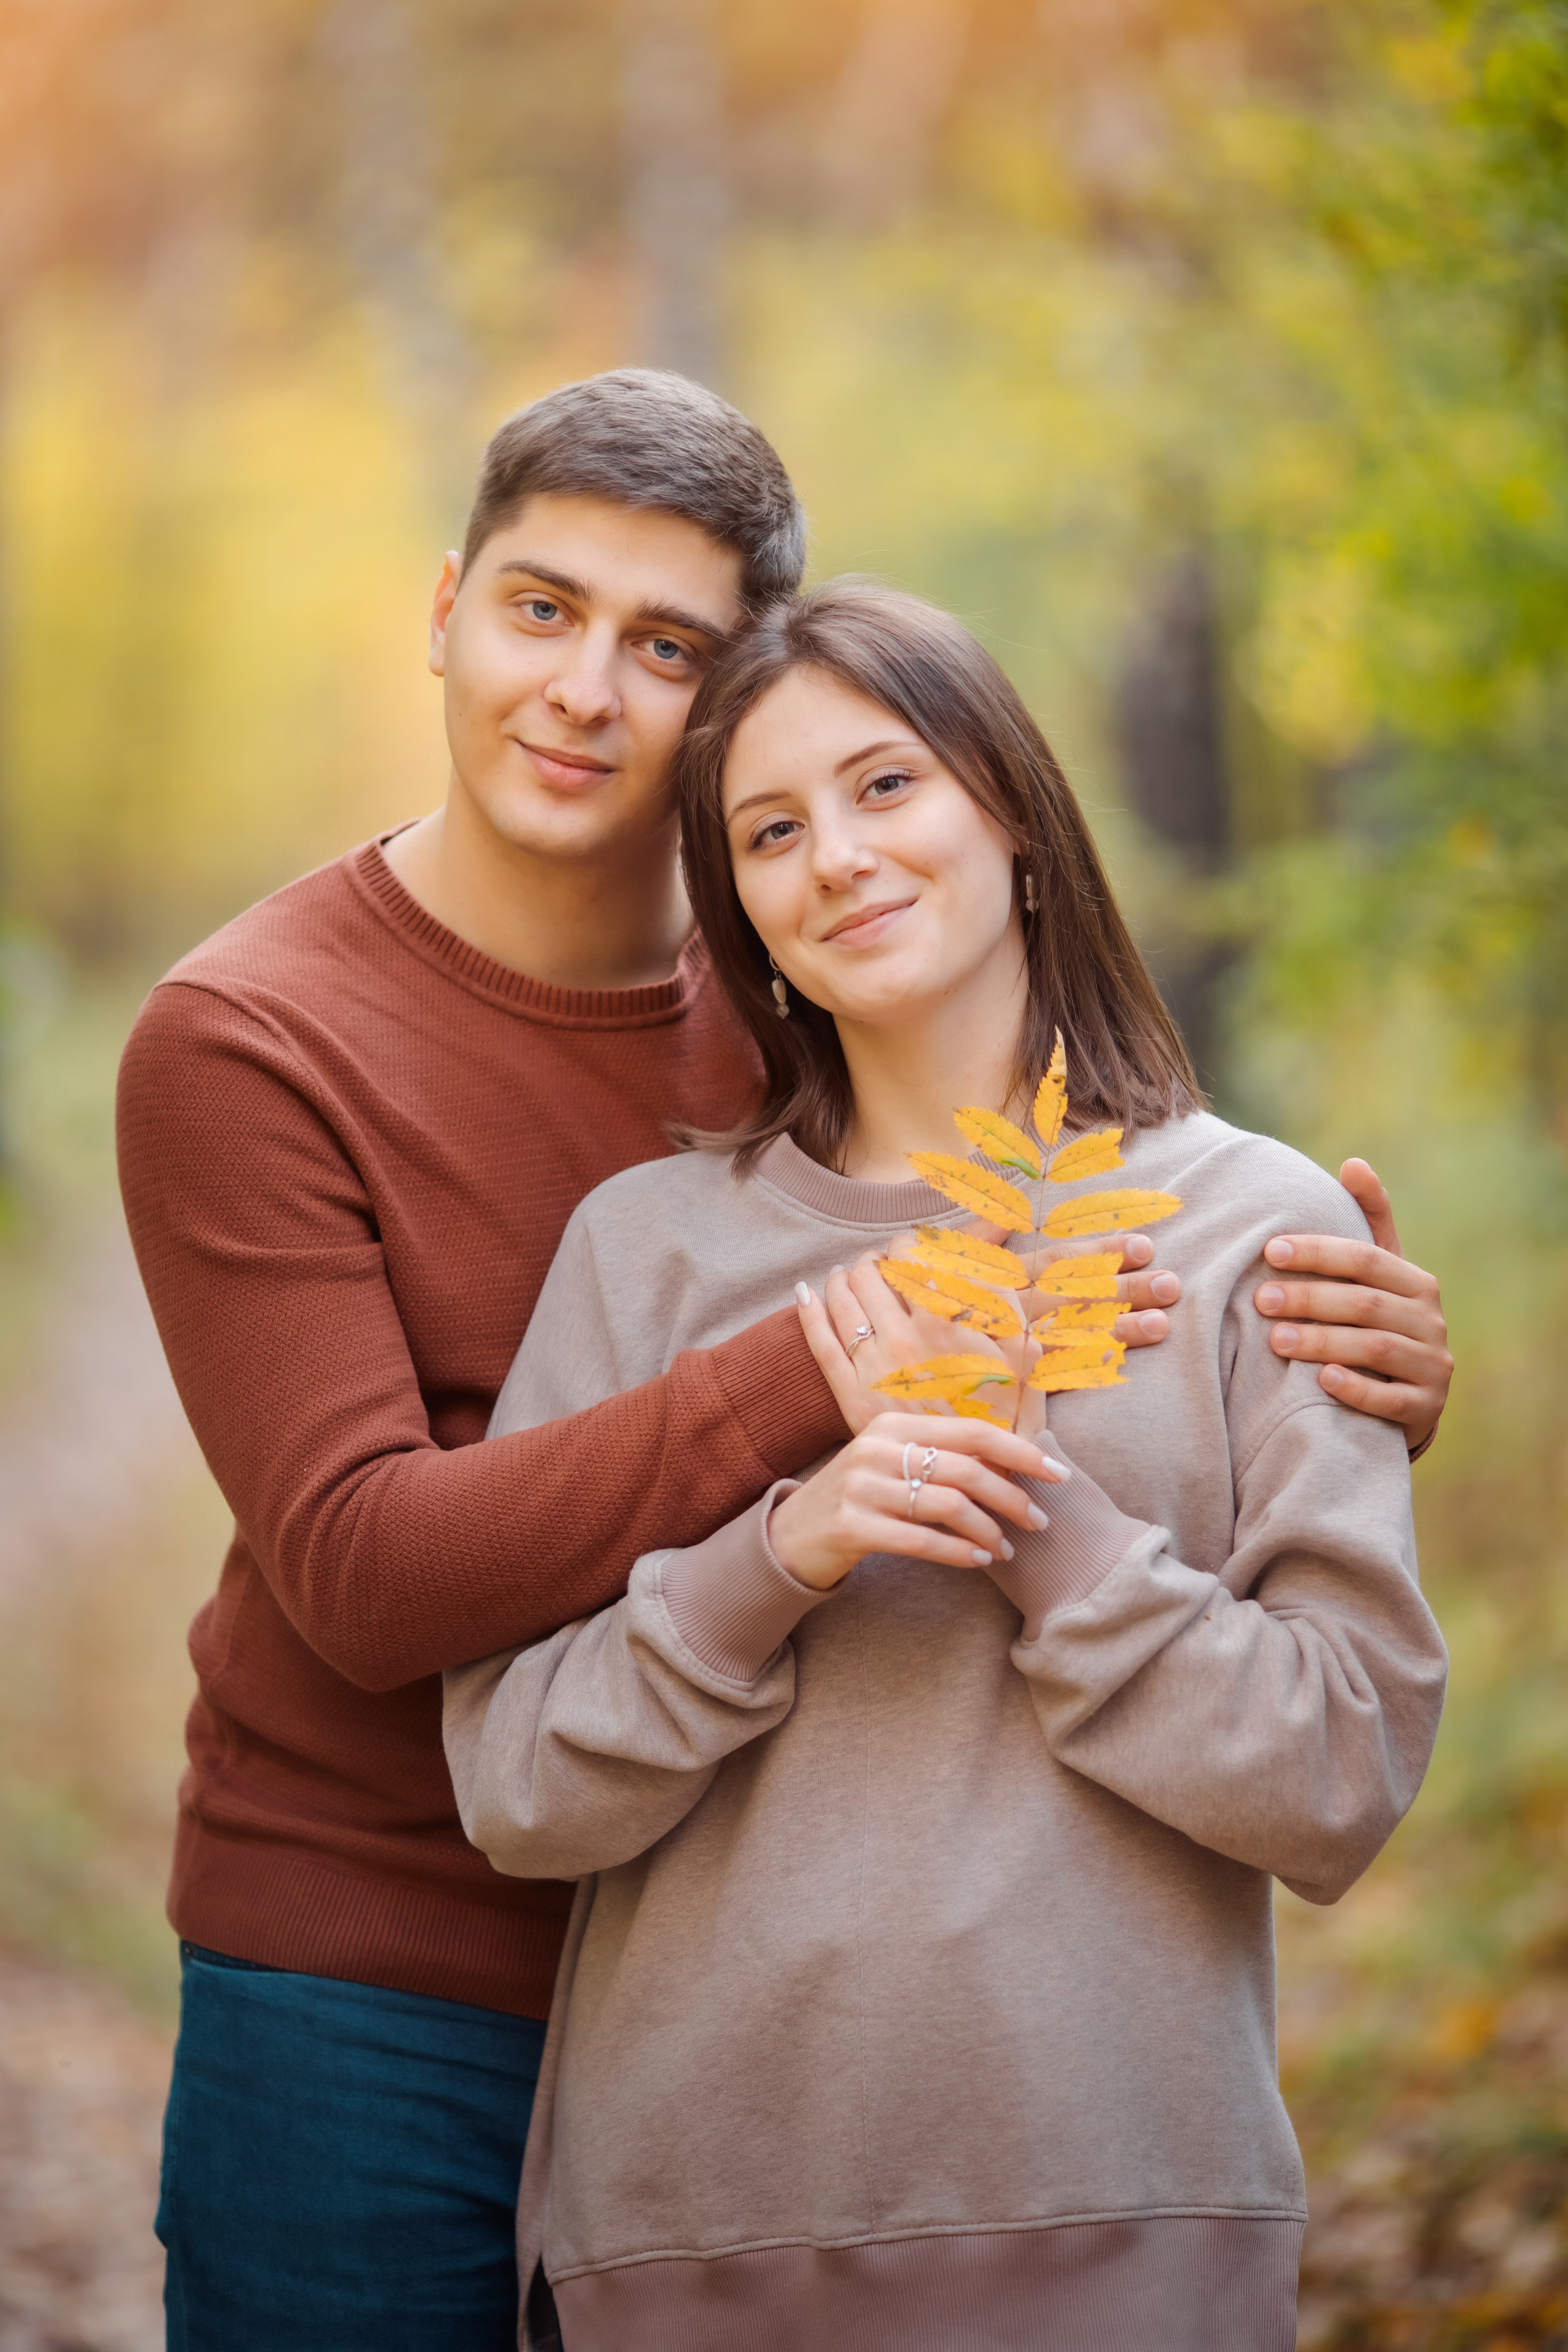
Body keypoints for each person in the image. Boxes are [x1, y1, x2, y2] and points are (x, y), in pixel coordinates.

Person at [116, 372, 1452, 2349]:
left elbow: (1171, 1348)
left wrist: (1349, 1344)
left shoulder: (832, 999)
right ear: (445, 609)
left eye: (665, 648)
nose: (581, 691)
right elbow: (368, 1573)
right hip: (380, 1966)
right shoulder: (252, 1039)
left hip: (871, 2042)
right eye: (540, 609)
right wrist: (828, 1398)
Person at [445, 581, 1450, 2352]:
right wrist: (790, 1546)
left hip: (1124, 2230)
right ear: (743, 913)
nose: (834, 856)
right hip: (688, 2246)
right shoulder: (645, 1254)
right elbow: (520, 1791)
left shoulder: (1254, 1230)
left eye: (886, 785)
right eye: (770, 829)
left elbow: (1338, 1770)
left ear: (1018, 816)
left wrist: (1037, 1518)